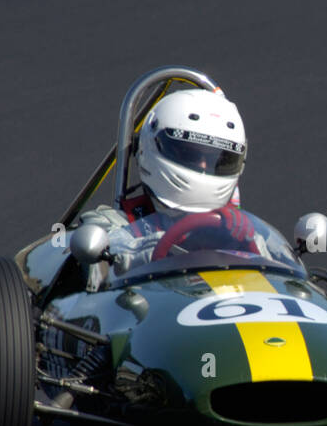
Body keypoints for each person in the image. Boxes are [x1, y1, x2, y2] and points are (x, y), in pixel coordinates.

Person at [77, 88, 256, 282]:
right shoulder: (106, 226)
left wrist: (248, 244)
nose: (204, 167)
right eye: (190, 154)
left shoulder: (240, 230)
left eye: (217, 160)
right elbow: (111, 263)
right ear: (150, 146)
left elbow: (281, 274)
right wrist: (179, 244)